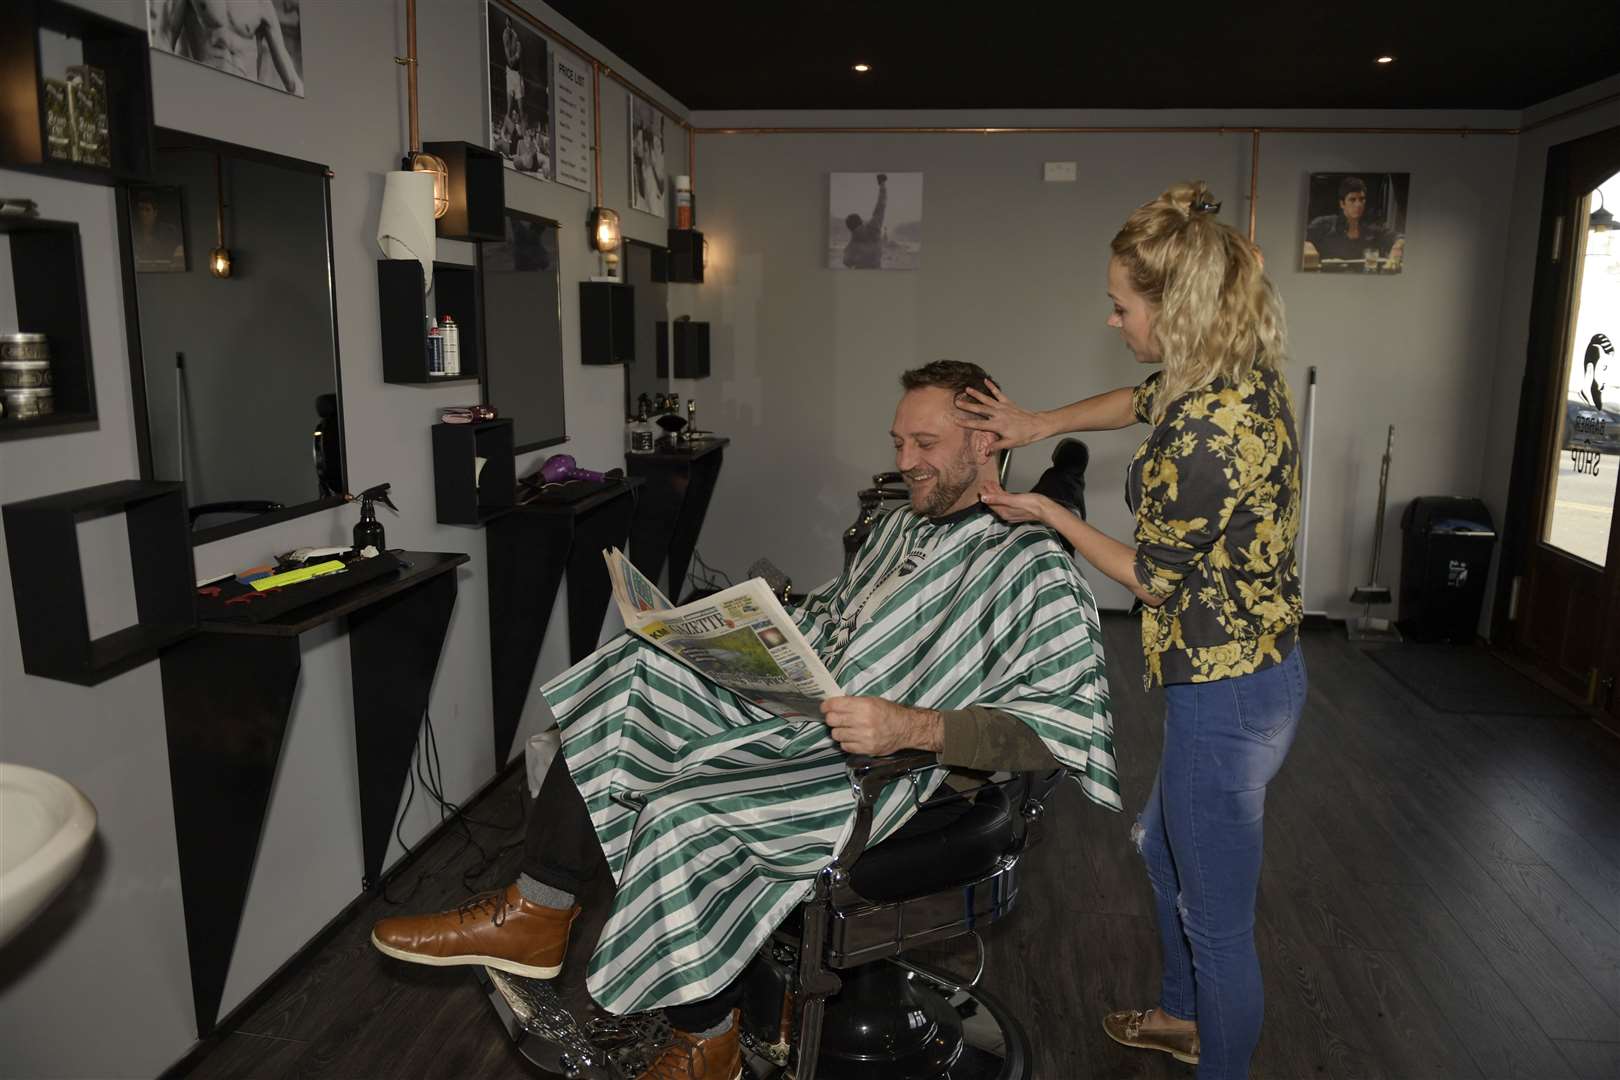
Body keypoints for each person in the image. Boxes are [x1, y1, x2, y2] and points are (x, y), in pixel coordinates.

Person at [372, 360, 1121, 1079]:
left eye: (925, 444)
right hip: (802, 721)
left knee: (680, 811)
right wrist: (727, 633)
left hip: (881, 769)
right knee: (637, 671)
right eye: (899, 441)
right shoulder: (897, 528)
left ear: (986, 441)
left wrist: (914, 728)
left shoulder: (1031, 564)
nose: (907, 459)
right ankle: (539, 910)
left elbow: (1054, 731)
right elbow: (837, 623)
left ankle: (709, 1039)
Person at [962, 182, 1305, 1080]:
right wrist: (1040, 421)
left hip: (1226, 701)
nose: (1111, 318)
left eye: (1123, 305)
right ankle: (1182, 1017)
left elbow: (1152, 580)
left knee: (1217, 924)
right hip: (1254, 678)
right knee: (1163, 851)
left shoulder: (1210, 436)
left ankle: (1209, 1041)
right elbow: (1135, 401)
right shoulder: (1221, 377)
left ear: (1175, 305)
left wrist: (1048, 514)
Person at [150, 0, 302, 96]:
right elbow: (164, 39)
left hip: (246, 97)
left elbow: (289, 76)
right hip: (205, 89)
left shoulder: (262, 4)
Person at [1303, 176, 1404, 266]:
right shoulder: (1324, 224)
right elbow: (1300, 239)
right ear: (1342, 204)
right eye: (1352, 200)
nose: (1358, 204)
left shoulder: (1372, 228)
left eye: (1361, 199)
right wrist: (1308, 247)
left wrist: (1397, 247)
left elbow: (1398, 237)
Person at [842, 173, 888, 268]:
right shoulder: (874, 227)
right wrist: (882, 185)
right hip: (877, 273)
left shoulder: (852, 244)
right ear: (861, 221)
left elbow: (847, 262)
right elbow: (881, 204)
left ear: (850, 228)